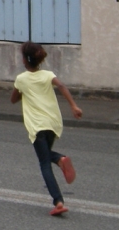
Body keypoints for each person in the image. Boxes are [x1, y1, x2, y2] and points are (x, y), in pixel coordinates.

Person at [11, 41, 83, 217]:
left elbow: (13, 99)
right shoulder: (48, 75)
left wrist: (24, 91)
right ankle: (59, 159)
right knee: (46, 154)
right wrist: (74, 106)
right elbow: (62, 86)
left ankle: (58, 201)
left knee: (44, 163)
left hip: (37, 125)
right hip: (53, 123)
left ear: (24, 60)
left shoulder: (21, 79)